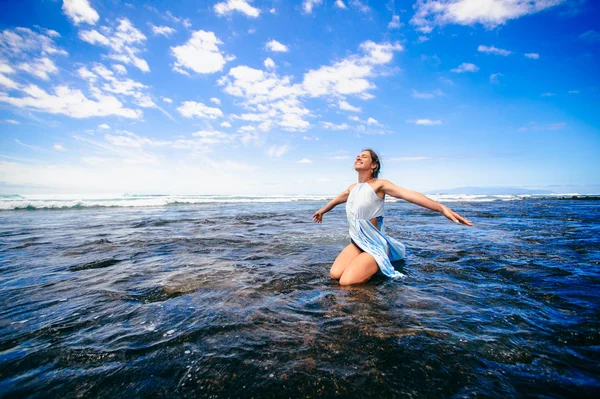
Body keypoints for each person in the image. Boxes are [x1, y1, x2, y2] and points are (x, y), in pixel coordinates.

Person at [313, 148, 473, 286]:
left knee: (346, 283)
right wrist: (322, 211)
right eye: (357, 156)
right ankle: (367, 268)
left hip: (374, 245)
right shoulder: (352, 188)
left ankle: (375, 271)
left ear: (374, 165)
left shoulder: (379, 185)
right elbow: (336, 200)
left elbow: (409, 195)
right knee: (335, 274)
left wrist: (441, 208)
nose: (358, 157)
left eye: (364, 156)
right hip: (357, 243)